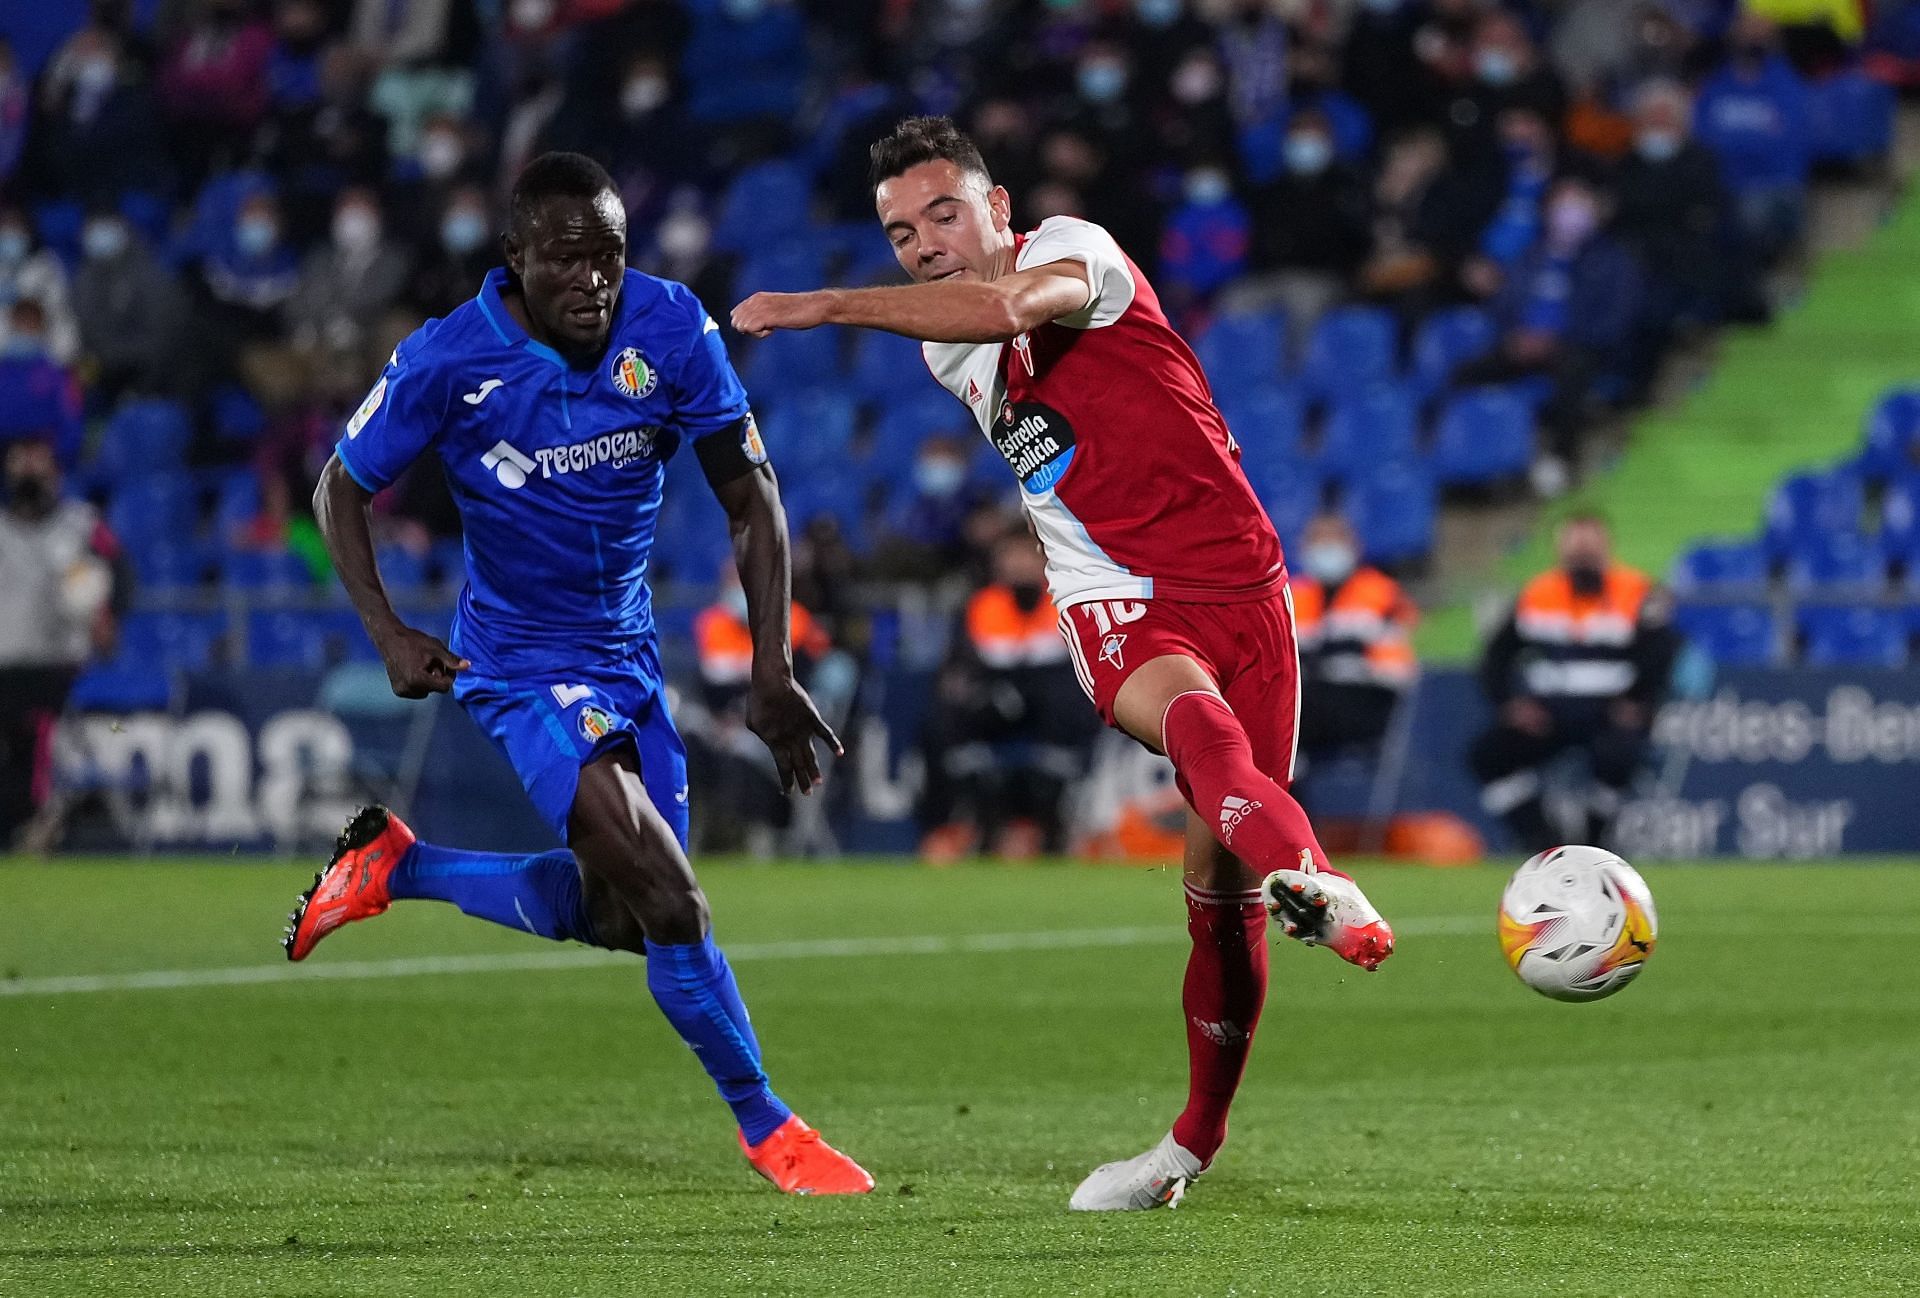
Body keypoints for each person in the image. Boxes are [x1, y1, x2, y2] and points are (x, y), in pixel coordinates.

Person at [731, 115, 1395, 1213]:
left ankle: (1188, 1146)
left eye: (944, 211)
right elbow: (983, 335)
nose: (925, 241)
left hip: (1248, 588)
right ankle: (1323, 878)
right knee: (1195, 731)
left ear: (1000, 205)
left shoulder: (1078, 250)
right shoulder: (951, 348)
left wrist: (823, 302)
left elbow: (1006, 304)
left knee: (1218, 899)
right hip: (1111, 592)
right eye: (899, 232)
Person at [285, 153, 871, 1196]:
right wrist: (385, 630)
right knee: (676, 901)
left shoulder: (672, 328)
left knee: (621, 916)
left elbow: (752, 495)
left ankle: (398, 865)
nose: (593, 280)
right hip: (518, 666)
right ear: (514, 260)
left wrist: (771, 668)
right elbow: (340, 485)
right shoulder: (447, 360)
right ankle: (772, 1130)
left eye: (608, 255)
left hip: (629, 657)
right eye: (565, 258)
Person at [1469, 513, 1677, 853]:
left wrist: (1637, 701)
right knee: (1487, 754)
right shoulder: (1538, 593)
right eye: (1575, 550)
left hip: (1610, 713)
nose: (1582, 558)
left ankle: (1594, 842)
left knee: (1617, 755)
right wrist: (1510, 704)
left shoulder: (1638, 592)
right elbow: (1496, 656)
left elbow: (1662, 653)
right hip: (1551, 714)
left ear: (1606, 548)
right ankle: (1542, 841)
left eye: (1589, 550)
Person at [918, 532, 1098, 862]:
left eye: (1026, 556)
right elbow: (956, 674)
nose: (1018, 566)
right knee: (941, 724)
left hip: (1050, 721)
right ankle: (953, 829)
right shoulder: (981, 608)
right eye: (1010, 557)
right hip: (991, 718)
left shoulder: (1064, 606)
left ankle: (1053, 834)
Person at [0, 439, 123, 845]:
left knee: (36, 743)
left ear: (55, 470)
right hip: (5, 660)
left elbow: (120, 570)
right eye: (21, 460)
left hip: (57, 665)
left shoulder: (81, 524)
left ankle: (33, 823)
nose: (29, 469)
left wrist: (108, 617)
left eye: (38, 459)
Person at [1289, 513, 1418, 760]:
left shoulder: (1381, 593)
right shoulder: (1295, 596)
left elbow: (1395, 669)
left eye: (1333, 541)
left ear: (1354, 546)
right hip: (1310, 697)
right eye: (1318, 541)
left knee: (1299, 716)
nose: (1325, 549)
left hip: (1367, 697)